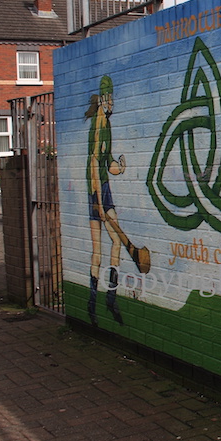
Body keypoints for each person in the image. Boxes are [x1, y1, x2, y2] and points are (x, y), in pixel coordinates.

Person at [85, 75, 125, 326]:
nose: (112, 103)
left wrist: (119, 168)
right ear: (103, 99)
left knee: (104, 247)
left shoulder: (105, 124)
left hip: (101, 188)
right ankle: (105, 300)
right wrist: (99, 203)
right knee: (111, 244)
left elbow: (105, 161)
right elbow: (93, 164)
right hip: (98, 190)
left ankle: (99, 301)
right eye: (110, 99)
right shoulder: (100, 124)